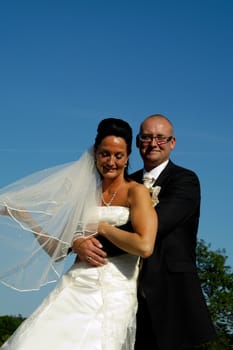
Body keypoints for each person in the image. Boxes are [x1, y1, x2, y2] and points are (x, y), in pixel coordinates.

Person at [0, 117, 158, 350]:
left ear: (127, 157)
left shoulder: (136, 192)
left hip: (113, 292)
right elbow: (57, 251)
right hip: (75, 285)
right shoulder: (84, 193)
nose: (111, 162)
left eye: (118, 156)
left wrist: (101, 227)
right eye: (105, 154)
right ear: (95, 153)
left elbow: (145, 245)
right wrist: (24, 216)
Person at [74, 114, 217, 350]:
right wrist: (77, 242)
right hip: (122, 292)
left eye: (160, 138)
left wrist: (94, 238)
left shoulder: (185, 181)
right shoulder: (123, 181)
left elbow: (153, 229)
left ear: (172, 143)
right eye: (147, 137)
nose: (153, 143)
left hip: (169, 296)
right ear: (138, 143)